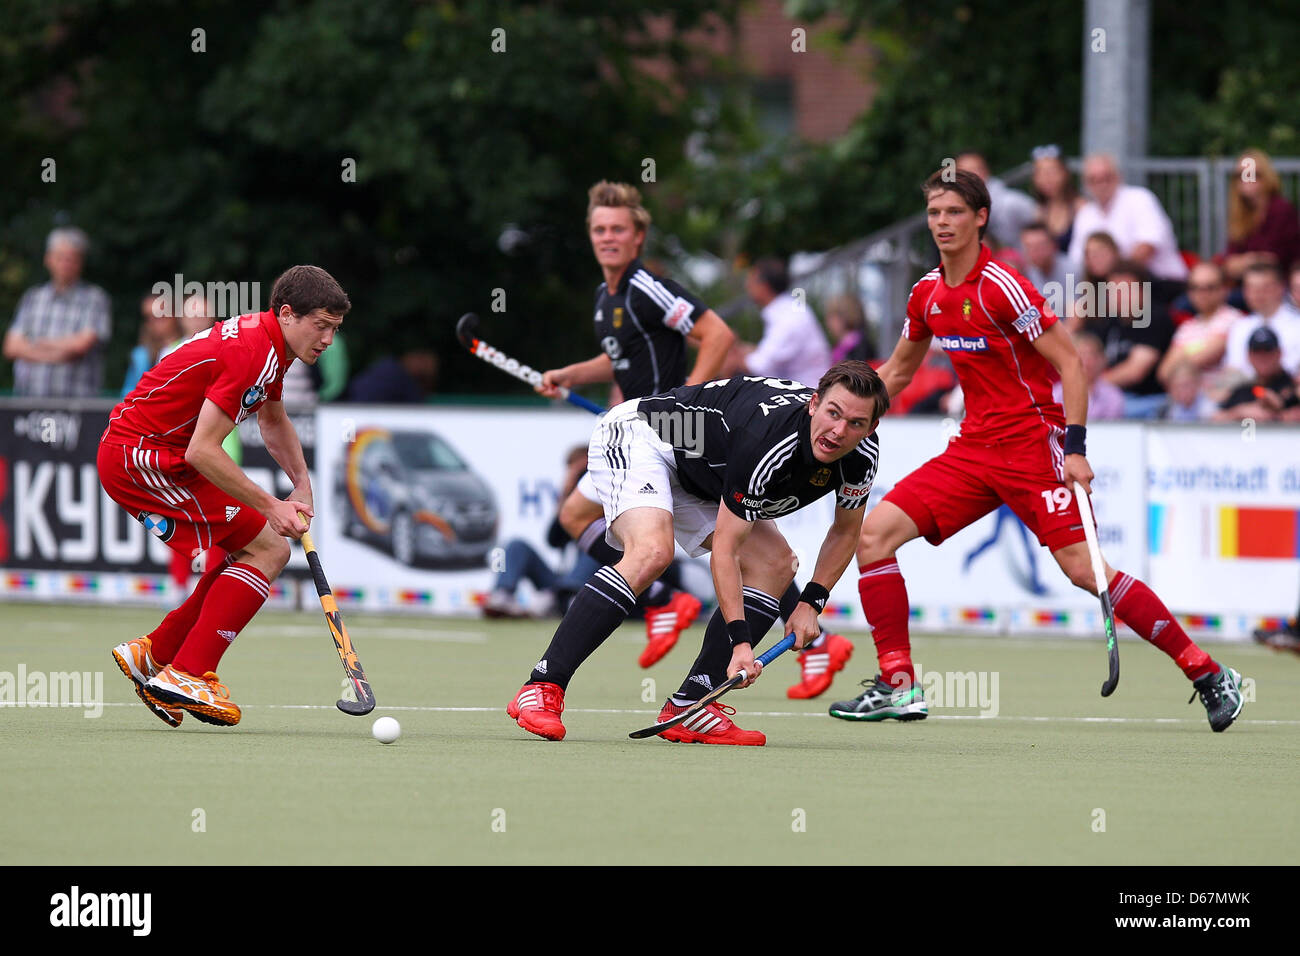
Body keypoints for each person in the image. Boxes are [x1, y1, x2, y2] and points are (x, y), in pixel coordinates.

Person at [831, 168, 1244, 733]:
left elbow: (1070, 362)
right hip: (973, 448)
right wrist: (841, 413)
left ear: (980, 218)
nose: (942, 223)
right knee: (874, 534)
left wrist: (1074, 447)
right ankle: (898, 686)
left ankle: (1207, 671)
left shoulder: (1003, 285)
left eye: (954, 212)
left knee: (1085, 571)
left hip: (1033, 444)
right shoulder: (927, 292)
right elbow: (899, 371)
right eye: (934, 213)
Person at [507, 362, 886, 745]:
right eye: (832, 413)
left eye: (855, 423)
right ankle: (542, 685)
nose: (838, 432)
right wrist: (740, 644)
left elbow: (845, 530)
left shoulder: (862, 457)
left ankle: (693, 705)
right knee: (652, 551)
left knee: (775, 564)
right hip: (644, 436)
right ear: (814, 404)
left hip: (702, 475)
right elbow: (726, 548)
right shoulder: (768, 441)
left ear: (870, 429)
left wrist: (811, 602)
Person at [102, 265, 349, 727]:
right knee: (270, 546)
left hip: (156, 454)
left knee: (246, 552)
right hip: (142, 458)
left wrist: (301, 482)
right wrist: (271, 505)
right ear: (289, 313)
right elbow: (203, 450)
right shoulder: (252, 351)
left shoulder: (273, 344)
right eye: (321, 326)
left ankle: (155, 654)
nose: (328, 340)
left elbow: (273, 420)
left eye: (335, 329)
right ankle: (188, 673)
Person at [537, 180, 732, 668]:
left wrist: (687, 402)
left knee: (730, 537)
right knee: (577, 517)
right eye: (600, 229)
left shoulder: (646, 286)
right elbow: (617, 361)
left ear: (637, 237)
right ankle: (666, 597)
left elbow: (717, 334)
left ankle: (671, 599)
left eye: (618, 229)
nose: (608, 237)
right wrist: (568, 376)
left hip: (667, 432)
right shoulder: (607, 296)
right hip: (641, 434)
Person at [481, 446, 601, 618]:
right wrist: (568, 493)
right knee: (516, 545)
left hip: (595, 584)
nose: (583, 477)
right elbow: (553, 539)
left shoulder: (613, 495)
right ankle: (503, 595)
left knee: (593, 544)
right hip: (561, 582)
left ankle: (571, 598)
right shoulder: (572, 502)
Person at [3, 227, 112, 397]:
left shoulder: (95, 298)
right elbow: (11, 347)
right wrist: (61, 352)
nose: (65, 264)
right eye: (60, 257)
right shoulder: (32, 298)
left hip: (78, 407)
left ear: (80, 262)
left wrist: (37, 343)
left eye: (72, 258)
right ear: (48, 259)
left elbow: (81, 345)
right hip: (27, 404)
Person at [1068, 154, 1188, 283]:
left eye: (1106, 177)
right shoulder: (1086, 214)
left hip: (1159, 281)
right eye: (1094, 180)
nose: (1101, 184)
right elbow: (1077, 258)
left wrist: (1113, 273)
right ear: (1086, 184)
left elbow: (1147, 246)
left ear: (1119, 176)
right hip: (1112, 286)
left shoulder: (1139, 198)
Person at [730, 256, 833, 388]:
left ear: (764, 286)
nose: (747, 286)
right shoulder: (789, 311)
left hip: (807, 399)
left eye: (751, 281)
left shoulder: (788, 318)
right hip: (805, 394)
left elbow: (758, 366)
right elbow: (766, 355)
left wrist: (727, 349)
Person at [1094, 262, 1176, 419]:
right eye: (1113, 291)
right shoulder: (1109, 322)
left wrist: (1093, 386)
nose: (1119, 296)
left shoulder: (1153, 317)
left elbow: (1135, 372)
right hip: (1114, 396)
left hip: (1149, 400)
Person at [1155, 261, 1241, 390]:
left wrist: (1183, 354)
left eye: (1210, 287)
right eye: (1195, 287)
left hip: (1220, 398)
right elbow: (1163, 373)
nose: (1202, 293)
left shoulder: (1234, 319)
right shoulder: (1187, 327)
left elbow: (1207, 355)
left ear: (1224, 289)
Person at [1222, 149, 1300, 284]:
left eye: (1253, 173)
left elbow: (1275, 260)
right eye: (1240, 175)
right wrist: (1253, 259)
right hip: (1247, 286)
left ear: (1267, 177)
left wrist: (1244, 261)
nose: (1247, 178)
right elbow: (1229, 264)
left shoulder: (1281, 209)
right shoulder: (1240, 214)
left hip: (1279, 287)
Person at [1223, 262, 1300, 378]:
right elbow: (1233, 370)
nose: (1257, 294)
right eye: (1251, 288)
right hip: (1245, 392)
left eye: (1265, 287)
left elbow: (1292, 370)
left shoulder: (1297, 325)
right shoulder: (1239, 326)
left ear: (1281, 287)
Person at [1213, 327, 1300, 423]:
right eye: (1257, 352)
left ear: (1279, 353)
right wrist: (1239, 413)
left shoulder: (1293, 386)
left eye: (1267, 351)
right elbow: (1214, 418)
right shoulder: (1243, 390)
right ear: (1249, 356)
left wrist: (1278, 414)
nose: (1262, 357)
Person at [955, 151, 1038, 250]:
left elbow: (1041, 222)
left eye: (975, 170)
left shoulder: (1012, 202)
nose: (970, 177)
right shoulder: (954, 209)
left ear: (986, 171)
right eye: (964, 173)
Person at [1052, 332, 1124, 420]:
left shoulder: (1113, 395)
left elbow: (1112, 429)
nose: (1087, 362)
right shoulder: (1056, 394)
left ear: (1102, 360)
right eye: (1082, 355)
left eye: (1092, 356)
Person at [120, 294, 181, 397]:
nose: (153, 322)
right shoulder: (140, 356)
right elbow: (127, 396)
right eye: (148, 317)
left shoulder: (189, 347)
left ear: (176, 315)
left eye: (160, 315)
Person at [1030, 144, 1086, 254]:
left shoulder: (1080, 207)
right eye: (1040, 173)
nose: (1046, 179)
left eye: (1052, 172)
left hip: (1073, 270)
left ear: (1065, 173)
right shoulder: (1039, 211)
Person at [1020, 221, 1074, 294]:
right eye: (1029, 247)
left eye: (1040, 246)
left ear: (1053, 245)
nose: (1035, 252)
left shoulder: (1075, 271)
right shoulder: (1024, 274)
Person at [826, 294, 876, 364]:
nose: (828, 322)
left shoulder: (857, 347)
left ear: (843, 318)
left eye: (831, 317)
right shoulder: (844, 345)